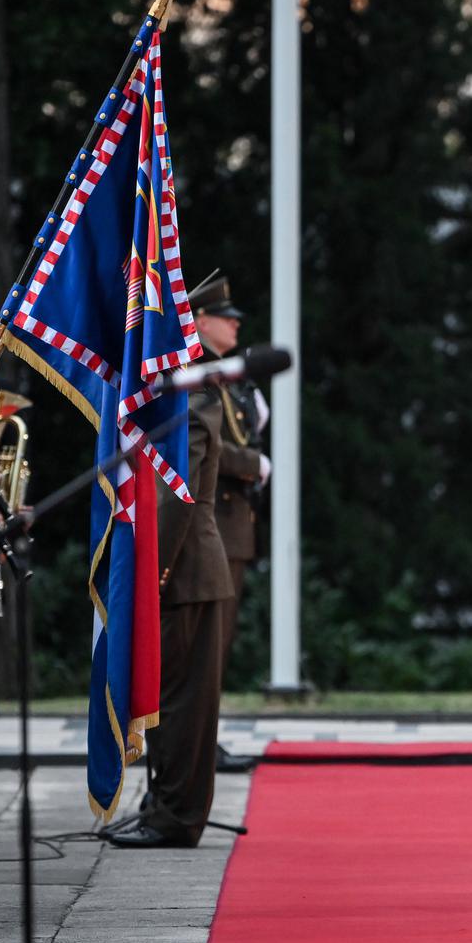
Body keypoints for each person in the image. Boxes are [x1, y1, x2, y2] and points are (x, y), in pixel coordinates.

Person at [107, 381, 234, 847]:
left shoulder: (194, 397)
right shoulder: (173, 397)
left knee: (181, 705)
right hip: (182, 571)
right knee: (171, 700)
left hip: (182, 571)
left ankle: (176, 817)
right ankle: (165, 805)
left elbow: (179, 492)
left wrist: (152, 572)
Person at [186, 272, 270, 773]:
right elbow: (212, 449)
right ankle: (193, 745)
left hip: (232, 525)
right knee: (203, 648)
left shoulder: (226, 377)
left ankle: (202, 741)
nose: (235, 327)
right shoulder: (198, 375)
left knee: (215, 648)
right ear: (199, 319)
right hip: (209, 522)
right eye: (226, 319)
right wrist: (253, 464)